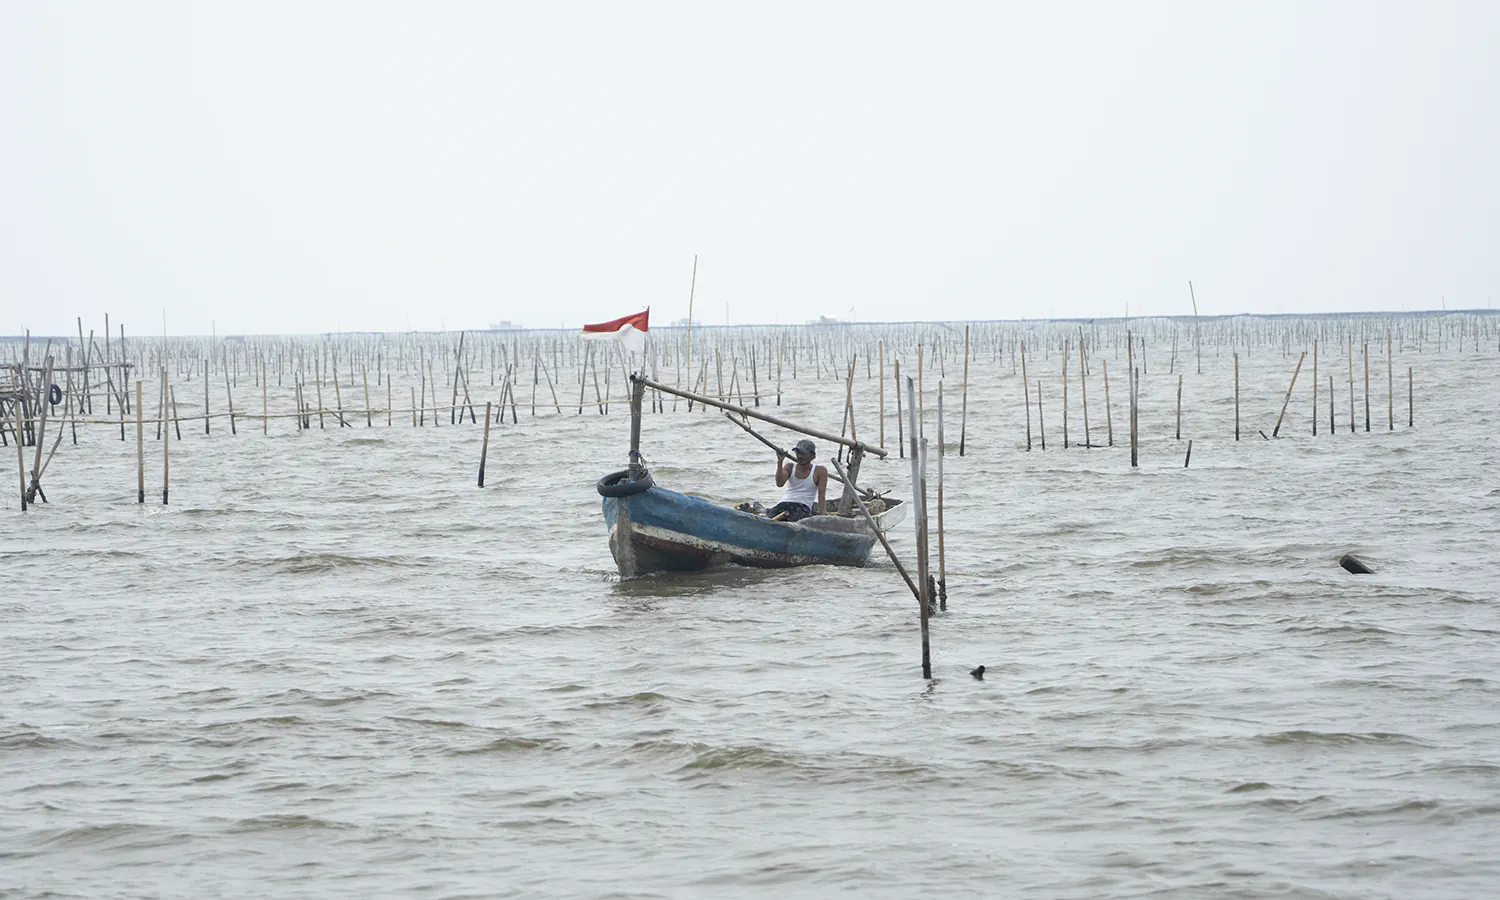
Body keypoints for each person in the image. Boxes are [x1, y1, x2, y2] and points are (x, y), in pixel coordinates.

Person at [768, 439, 827, 522]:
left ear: (812, 456)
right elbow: (780, 483)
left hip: (803, 506)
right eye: (797, 453)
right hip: (784, 503)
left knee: (795, 521)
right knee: (771, 519)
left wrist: (822, 516)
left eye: (803, 453)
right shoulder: (790, 467)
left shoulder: (820, 471)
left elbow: (821, 495)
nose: (799, 456)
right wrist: (780, 462)